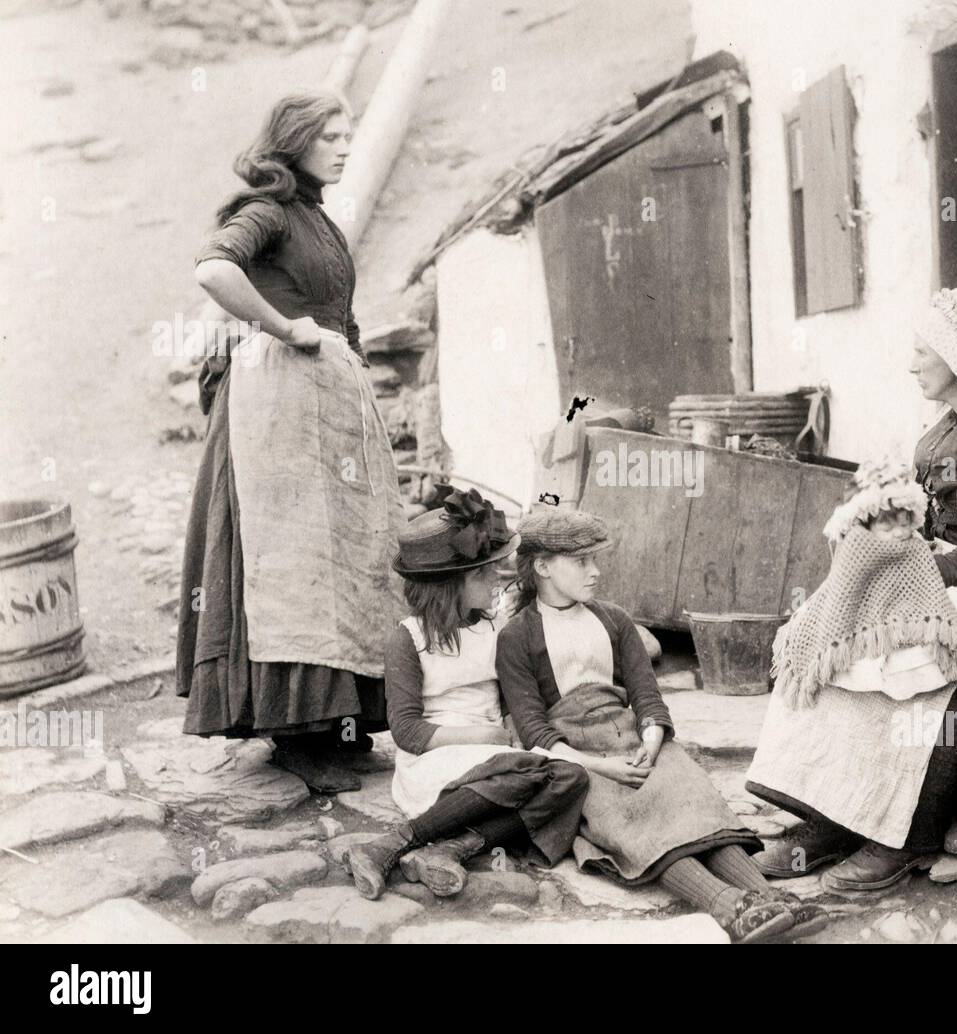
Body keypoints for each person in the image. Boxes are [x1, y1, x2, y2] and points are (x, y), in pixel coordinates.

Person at [748, 286, 957, 893]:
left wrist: (908, 576)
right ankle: (833, 818)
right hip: (951, 581)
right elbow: (932, 524)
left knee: (909, 685)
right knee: (830, 639)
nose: (913, 363)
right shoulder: (955, 424)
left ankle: (903, 840)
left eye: (924, 351)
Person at [176, 90, 405, 794]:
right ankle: (295, 737)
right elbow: (214, 270)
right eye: (330, 136)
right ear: (295, 142)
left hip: (328, 407)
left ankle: (343, 727)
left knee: (345, 558)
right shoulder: (268, 212)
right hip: (274, 410)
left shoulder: (318, 220)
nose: (343, 145)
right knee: (291, 563)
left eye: (347, 134)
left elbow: (341, 314)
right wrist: (283, 326)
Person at [496, 508, 829, 943]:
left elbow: (646, 695)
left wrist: (652, 739)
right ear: (542, 567)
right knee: (635, 821)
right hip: (574, 759)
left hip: (632, 735)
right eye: (582, 562)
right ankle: (728, 907)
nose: (595, 572)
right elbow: (534, 729)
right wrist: (602, 767)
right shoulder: (516, 636)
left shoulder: (613, 619)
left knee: (691, 799)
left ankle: (769, 898)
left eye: (596, 560)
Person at [343, 487, 590, 900]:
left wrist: (513, 728)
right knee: (525, 774)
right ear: (451, 585)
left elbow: (512, 694)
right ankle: (392, 844)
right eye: (484, 573)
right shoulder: (408, 638)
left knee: (571, 777)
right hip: (438, 756)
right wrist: (483, 738)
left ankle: (448, 849)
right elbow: (406, 730)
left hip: (497, 757)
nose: (496, 579)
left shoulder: (494, 626)